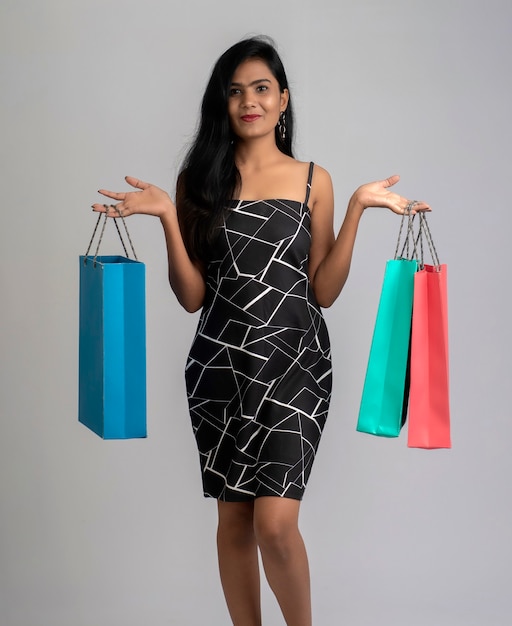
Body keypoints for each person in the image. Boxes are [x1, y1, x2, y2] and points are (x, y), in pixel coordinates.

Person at [92, 36, 430, 626]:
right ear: (222, 104)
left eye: (261, 88)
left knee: (275, 524)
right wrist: (169, 218)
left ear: (283, 100)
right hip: (220, 368)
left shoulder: (312, 182)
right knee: (233, 521)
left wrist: (355, 209)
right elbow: (193, 297)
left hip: (296, 365)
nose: (249, 100)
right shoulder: (198, 183)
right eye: (235, 91)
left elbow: (322, 290)